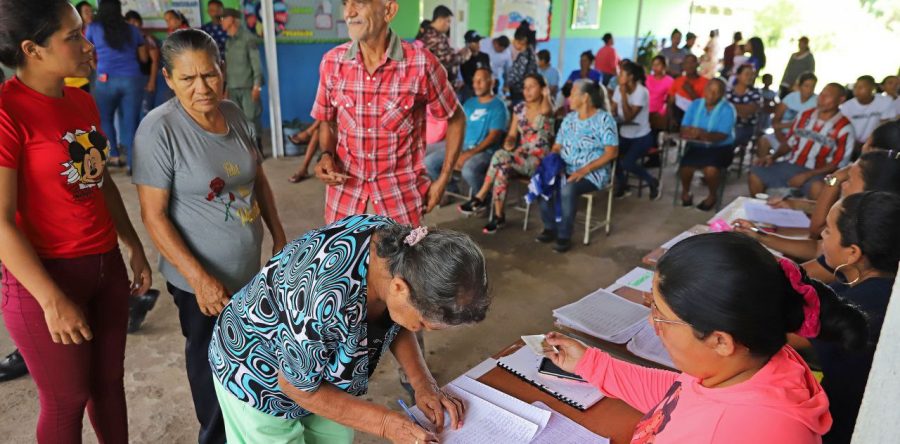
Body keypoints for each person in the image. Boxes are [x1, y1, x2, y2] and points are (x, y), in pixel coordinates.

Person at [544, 232, 868, 443]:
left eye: (661, 315)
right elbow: (678, 397)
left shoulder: (762, 431)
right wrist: (590, 362)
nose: (654, 325)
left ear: (720, 341)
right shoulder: (751, 366)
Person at [0, 1, 153, 441]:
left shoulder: (82, 101)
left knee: (108, 387)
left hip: (104, 267)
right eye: (72, 36)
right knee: (66, 400)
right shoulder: (8, 113)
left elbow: (99, 180)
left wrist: (132, 242)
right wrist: (51, 299)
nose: (87, 45)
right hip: (46, 277)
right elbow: (3, 222)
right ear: (33, 49)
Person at [209, 216, 492, 444]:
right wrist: (384, 423)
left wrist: (423, 384)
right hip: (257, 374)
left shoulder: (400, 256)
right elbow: (296, 387)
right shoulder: (324, 298)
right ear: (399, 288)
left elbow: (398, 319)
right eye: (422, 324)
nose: (420, 330)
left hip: (319, 370)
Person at [133, 29, 287, 444]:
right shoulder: (158, 130)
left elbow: (259, 180)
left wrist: (279, 235)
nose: (202, 88)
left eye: (209, 75)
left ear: (222, 70)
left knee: (251, 365)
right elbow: (153, 216)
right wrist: (199, 279)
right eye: (187, 79)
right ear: (168, 78)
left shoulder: (234, 114)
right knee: (212, 370)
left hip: (248, 270)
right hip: (198, 282)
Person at [311, 0, 465, 228]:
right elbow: (328, 122)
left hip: (399, 201)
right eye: (346, 3)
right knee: (346, 264)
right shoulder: (332, 62)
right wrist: (326, 155)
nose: (349, 12)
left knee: (397, 264)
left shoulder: (421, 63)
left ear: (389, 10)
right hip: (344, 200)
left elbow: (456, 119)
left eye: (360, 3)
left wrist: (443, 178)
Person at [804, 192, 900, 443]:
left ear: (853, 253)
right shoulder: (869, 283)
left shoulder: (866, 305)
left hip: (841, 428)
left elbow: (786, 334)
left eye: (828, 231)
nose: (822, 236)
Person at [733, 126, 900, 262]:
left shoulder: (864, 219)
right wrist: (794, 205)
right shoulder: (878, 193)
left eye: (867, 143)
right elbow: (819, 244)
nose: (863, 146)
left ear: (874, 150)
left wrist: (835, 179)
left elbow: (816, 230)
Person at [459, 74, 554, 233]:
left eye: (532, 86)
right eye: (525, 87)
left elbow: (545, 109)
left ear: (542, 88)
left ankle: (480, 196)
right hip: (520, 157)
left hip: (539, 160)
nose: (527, 90)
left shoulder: (547, 107)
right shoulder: (519, 109)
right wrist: (509, 142)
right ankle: (498, 216)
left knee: (499, 157)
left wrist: (547, 94)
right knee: (501, 168)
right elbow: (511, 135)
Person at [536, 80, 618, 253]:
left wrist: (584, 170)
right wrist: (553, 163)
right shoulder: (569, 119)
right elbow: (557, 146)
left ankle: (564, 235)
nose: (568, 98)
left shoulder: (604, 119)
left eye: (573, 94)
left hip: (593, 173)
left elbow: (611, 153)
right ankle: (550, 227)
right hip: (566, 168)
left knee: (567, 189)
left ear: (585, 97)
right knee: (543, 181)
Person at [750, 83, 855, 199]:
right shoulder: (805, 115)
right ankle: (758, 212)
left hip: (822, 173)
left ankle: (813, 216)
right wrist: (772, 157)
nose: (821, 98)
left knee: (820, 188)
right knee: (755, 174)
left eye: (828, 96)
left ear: (841, 100)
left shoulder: (845, 128)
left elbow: (838, 164)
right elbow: (789, 143)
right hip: (792, 164)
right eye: (821, 94)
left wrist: (807, 175)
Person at [86, 0, 148, 172]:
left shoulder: (93, 28)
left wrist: (97, 69)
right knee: (131, 121)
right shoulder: (132, 29)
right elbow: (143, 58)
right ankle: (131, 162)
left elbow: (87, 51)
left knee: (105, 119)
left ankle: (113, 156)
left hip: (105, 79)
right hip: (132, 79)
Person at [426, 67, 508, 195]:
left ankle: (482, 199)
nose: (476, 85)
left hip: (485, 151)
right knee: (429, 162)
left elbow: (493, 137)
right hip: (462, 146)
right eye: (475, 81)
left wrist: (468, 154)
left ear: (492, 82)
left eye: (481, 81)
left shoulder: (498, 106)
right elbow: (458, 127)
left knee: (468, 170)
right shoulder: (469, 103)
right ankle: (450, 189)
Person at [677, 79, 737, 211]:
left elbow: (722, 135)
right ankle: (686, 193)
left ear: (722, 95)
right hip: (697, 146)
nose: (712, 94)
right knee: (686, 166)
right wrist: (691, 132)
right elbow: (683, 127)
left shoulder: (728, 109)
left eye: (716, 92)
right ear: (704, 90)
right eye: (709, 90)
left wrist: (700, 133)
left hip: (721, 148)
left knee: (711, 170)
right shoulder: (695, 104)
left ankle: (712, 196)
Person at [611, 61, 660, 199]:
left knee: (627, 163)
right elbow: (613, 109)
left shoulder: (641, 92)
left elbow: (628, 117)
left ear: (630, 77)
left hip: (642, 137)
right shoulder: (618, 88)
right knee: (611, 157)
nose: (618, 76)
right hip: (625, 134)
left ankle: (652, 181)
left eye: (621, 74)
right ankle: (623, 184)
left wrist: (623, 95)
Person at [221, 8, 264, 139]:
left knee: (251, 119)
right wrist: (226, 88)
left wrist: (257, 86)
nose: (221, 22)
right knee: (236, 120)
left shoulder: (248, 39)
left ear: (232, 19)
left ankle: (257, 147)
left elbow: (256, 64)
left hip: (248, 86)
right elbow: (228, 67)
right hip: (233, 87)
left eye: (223, 18)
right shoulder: (229, 41)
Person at [763, 72, 818, 154]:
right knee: (763, 141)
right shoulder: (790, 97)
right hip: (781, 134)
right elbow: (775, 122)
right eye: (806, 86)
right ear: (799, 86)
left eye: (812, 86)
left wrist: (785, 126)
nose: (809, 90)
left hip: (800, 139)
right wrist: (781, 136)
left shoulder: (817, 102)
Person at [840, 75, 897, 155]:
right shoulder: (847, 106)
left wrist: (871, 143)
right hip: (852, 143)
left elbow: (885, 124)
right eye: (855, 87)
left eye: (861, 87)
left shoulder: (885, 101)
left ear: (872, 89)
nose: (856, 90)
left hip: (875, 144)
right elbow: (844, 128)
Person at [420, 6, 470, 86]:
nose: (449, 25)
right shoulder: (433, 36)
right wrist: (463, 56)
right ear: (440, 20)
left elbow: (444, 54)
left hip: (444, 84)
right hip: (439, 85)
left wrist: (457, 53)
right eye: (448, 21)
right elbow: (446, 61)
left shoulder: (436, 34)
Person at [124, 10, 160, 119]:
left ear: (140, 23)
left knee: (146, 112)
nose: (133, 25)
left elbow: (155, 61)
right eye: (130, 23)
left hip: (146, 79)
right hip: (132, 82)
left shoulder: (148, 39)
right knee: (133, 114)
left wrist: (152, 82)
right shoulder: (125, 41)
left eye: (135, 22)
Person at [667, 54, 707, 128]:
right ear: (683, 66)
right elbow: (670, 102)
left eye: (692, 62)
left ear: (697, 64)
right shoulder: (677, 81)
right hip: (678, 119)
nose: (689, 65)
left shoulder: (706, 82)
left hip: (696, 119)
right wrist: (671, 119)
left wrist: (690, 91)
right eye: (686, 63)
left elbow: (704, 106)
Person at [726, 64, 762, 148]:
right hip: (726, 125)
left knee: (730, 139)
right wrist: (741, 109)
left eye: (752, 75)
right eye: (747, 74)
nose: (750, 77)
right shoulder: (728, 91)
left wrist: (729, 107)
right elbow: (720, 109)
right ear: (738, 75)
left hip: (744, 128)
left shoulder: (755, 93)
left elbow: (748, 112)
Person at [505, 22, 539, 104]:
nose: (513, 43)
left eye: (515, 40)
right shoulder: (529, 52)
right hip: (521, 91)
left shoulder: (525, 56)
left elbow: (519, 75)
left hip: (521, 93)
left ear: (523, 41)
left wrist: (509, 84)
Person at [458, 30, 490, 103]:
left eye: (479, 42)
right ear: (468, 44)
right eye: (475, 42)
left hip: (484, 89)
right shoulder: (462, 58)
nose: (478, 44)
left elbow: (488, 73)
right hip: (469, 91)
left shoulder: (485, 56)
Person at [646, 55, 674, 131]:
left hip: (659, 114)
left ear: (664, 66)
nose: (655, 67)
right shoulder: (647, 78)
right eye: (653, 65)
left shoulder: (670, 81)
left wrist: (662, 112)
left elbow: (670, 100)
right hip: (644, 112)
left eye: (658, 65)